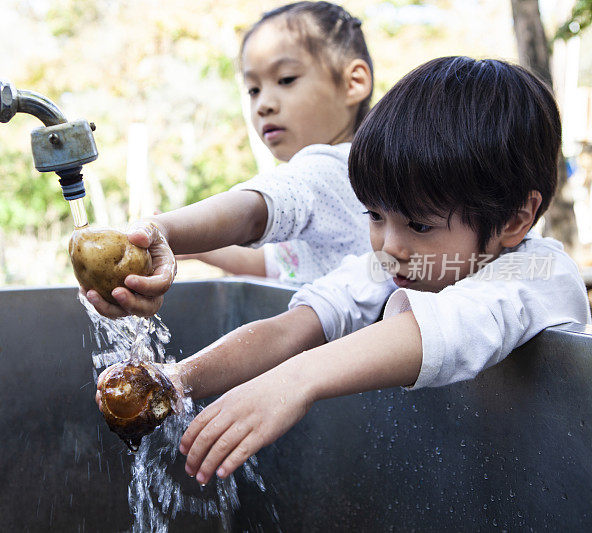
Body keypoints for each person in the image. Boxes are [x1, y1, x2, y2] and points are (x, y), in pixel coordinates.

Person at [98, 57, 592, 485]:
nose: (389, 246)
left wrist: (297, 381)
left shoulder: (540, 274)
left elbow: (449, 328)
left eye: (418, 224)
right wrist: (176, 381)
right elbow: (293, 328)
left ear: (514, 219)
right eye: (375, 216)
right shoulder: (392, 266)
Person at [84, 1, 374, 317]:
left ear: (353, 83)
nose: (263, 104)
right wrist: (186, 247)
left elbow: (250, 212)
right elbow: (272, 265)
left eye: (286, 79)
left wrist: (164, 228)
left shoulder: (331, 168)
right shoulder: (351, 175)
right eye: (253, 89)